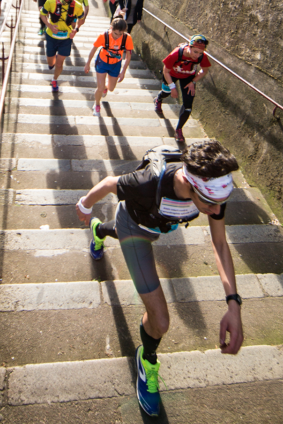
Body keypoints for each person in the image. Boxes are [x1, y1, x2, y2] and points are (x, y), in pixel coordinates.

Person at [76, 139, 243, 416]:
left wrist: (233, 305)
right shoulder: (148, 182)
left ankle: (99, 231)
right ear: (190, 186)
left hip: (155, 224)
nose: (217, 211)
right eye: (212, 204)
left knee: (115, 229)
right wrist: (84, 205)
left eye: (221, 204)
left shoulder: (212, 192)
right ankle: (148, 360)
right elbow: (108, 183)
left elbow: (220, 244)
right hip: (135, 228)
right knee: (161, 321)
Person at [154, 34, 211, 144]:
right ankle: (159, 99)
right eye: (195, 52)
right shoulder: (177, 53)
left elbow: (204, 70)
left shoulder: (202, 56)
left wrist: (193, 82)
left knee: (188, 106)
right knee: (166, 92)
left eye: (200, 53)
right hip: (171, 75)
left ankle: (179, 129)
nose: (197, 56)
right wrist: (173, 87)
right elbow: (166, 71)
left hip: (188, 78)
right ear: (189, 47)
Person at [40, 0, 84, 93]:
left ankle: (54, 80)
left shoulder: (78, 6)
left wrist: (76, 29)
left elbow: (82, 19)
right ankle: (51, 63)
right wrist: (49, 26)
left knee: (59, 62)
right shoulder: (51, 1)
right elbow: (42, 14)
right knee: (51, 62)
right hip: (51, 36)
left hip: (66, 38)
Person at [84, 17, 133, 115]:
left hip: (116, 64)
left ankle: (106, 88)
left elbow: (128, 56)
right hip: (102, 62)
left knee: (111, 88)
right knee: (100, 88)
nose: (117, 36)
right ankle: (97, 105)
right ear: (111, 28)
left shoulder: (127, 38)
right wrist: (88, 63)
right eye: (115, 33)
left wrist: (123, 72)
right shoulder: (103, 36)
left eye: (120, 34)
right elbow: (93, 49)